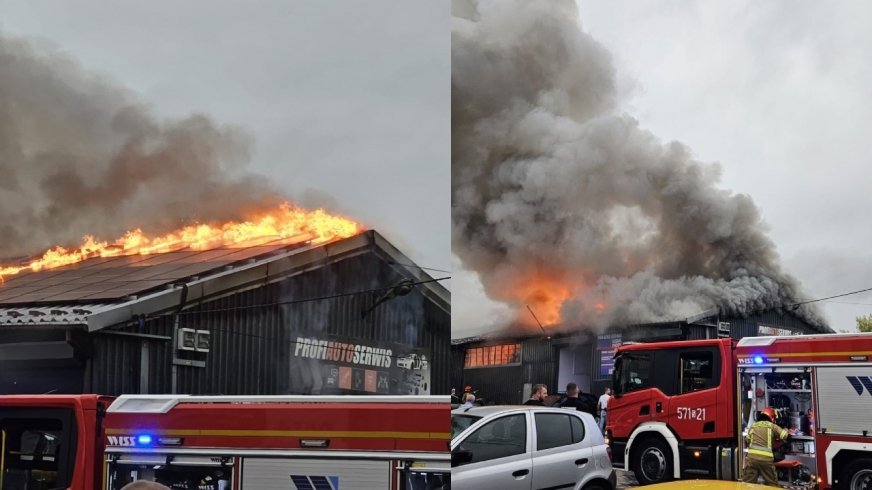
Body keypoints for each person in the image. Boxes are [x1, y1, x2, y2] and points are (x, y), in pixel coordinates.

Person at [741, 406, 791, 486]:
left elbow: (747, 441)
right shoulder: (772, 426)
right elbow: (786, 436)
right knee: (772, 484)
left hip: (751, 459)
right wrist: (787, 431)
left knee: (747, 483)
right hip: (766, 461)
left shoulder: (753, 426)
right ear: (771, 417)